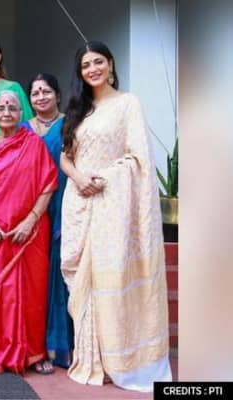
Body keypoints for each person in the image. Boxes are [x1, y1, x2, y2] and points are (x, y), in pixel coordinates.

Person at [60, 41, 171, 391]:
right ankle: (92, 356)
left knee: (110, 278)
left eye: (98, 62)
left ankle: (119, 359)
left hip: (112, 204)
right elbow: (66, 156)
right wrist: (79, 178)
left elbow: (138, 157)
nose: (92, 69)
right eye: (85, 65)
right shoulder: (79, 109)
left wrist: (104, 179)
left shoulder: (128, 103)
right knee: (80, 279)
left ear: (110, 63)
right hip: (78, 203)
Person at [0, 91, 57, 375]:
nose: (6, 112)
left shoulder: (34, 144)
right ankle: (4, 348)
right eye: (1, 108)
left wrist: (30, 220)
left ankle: (35, 353)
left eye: (13, 108)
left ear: (21, 113)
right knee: (2, 294)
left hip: (30, 233)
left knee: (33, 293)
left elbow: (48, 185)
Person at [19, 73, 72, 371]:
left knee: (62, 273)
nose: (40, 97)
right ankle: (37, 345)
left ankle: (64, 344)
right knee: (36, 278)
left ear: (57, 95)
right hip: (31, 208)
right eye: (35, 93)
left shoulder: (71, 124)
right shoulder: (22, 129)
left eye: (46, 91)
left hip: (64, 201)